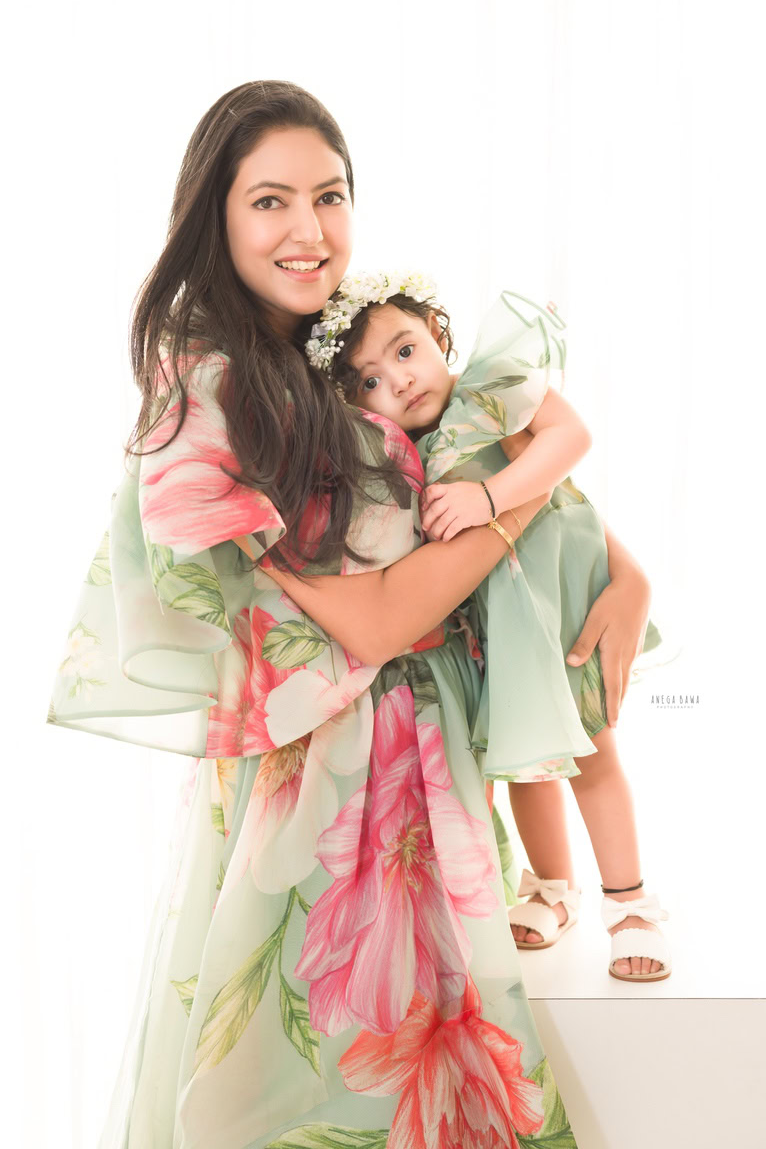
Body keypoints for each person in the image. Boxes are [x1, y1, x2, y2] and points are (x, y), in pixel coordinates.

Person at [46, 80, 648, 1146]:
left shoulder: (339, 344)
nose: (307, 228)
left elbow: (488, 448)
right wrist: (507, 520)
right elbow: (370, 624)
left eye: (328, 195)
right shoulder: (209, 384)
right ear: (215, 216)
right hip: (326, 783)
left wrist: (624, 573)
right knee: (309, 1098)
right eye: (269, 201)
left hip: (423, 760)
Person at [309, 272, 670, 982]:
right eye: (371, 383)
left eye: (406, 351)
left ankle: (630, 904)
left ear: (438, 337)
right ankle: (550, 888)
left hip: (562, 612)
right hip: (491, 633)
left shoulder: (488, 386)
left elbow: (570, 438)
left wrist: (490, 495)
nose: (400, 383)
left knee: (593, 756)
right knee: (526, 762)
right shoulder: (396, 457)